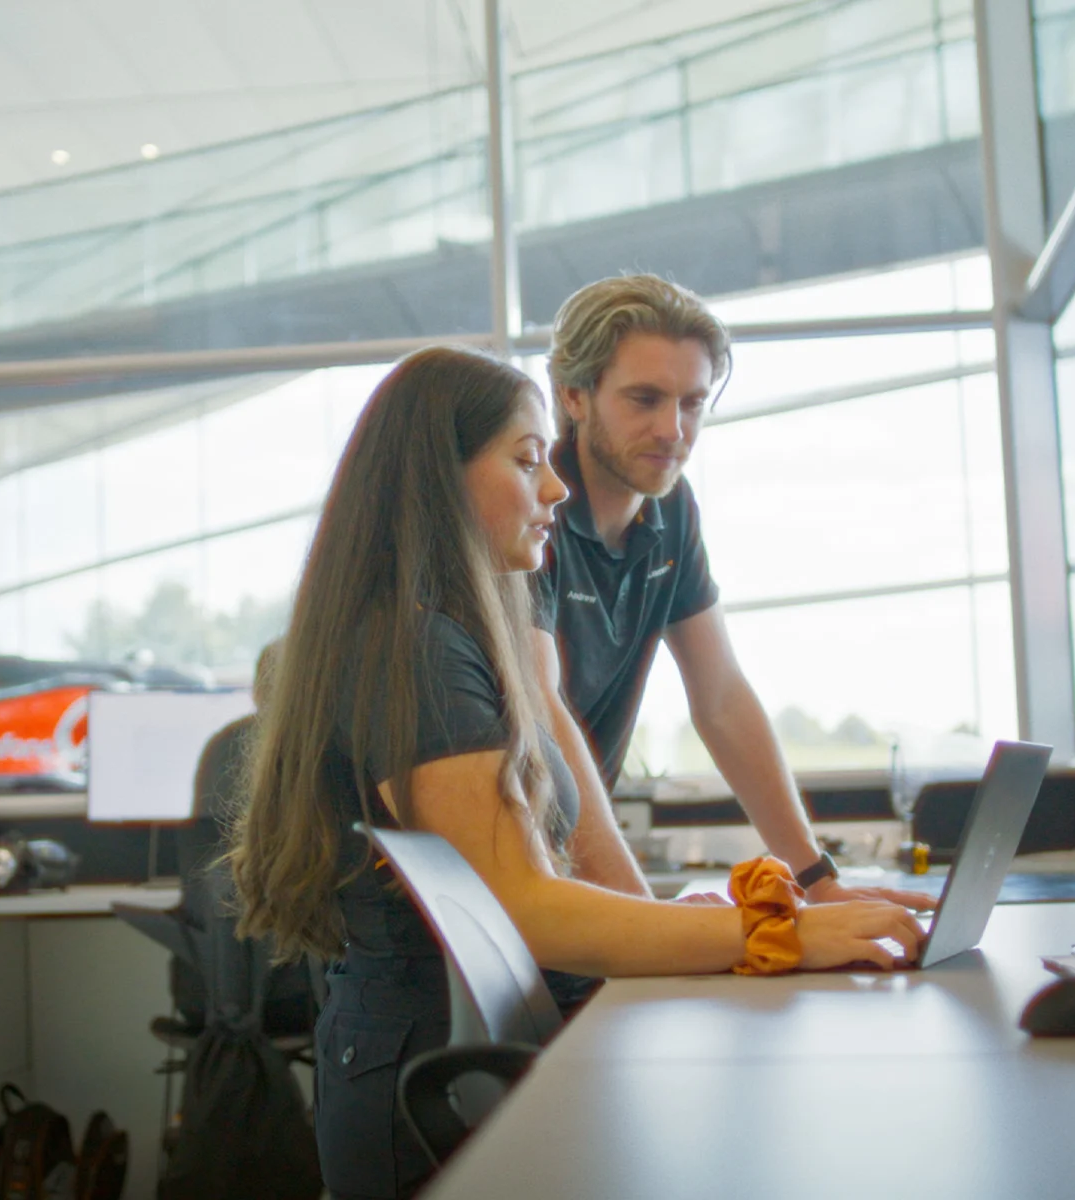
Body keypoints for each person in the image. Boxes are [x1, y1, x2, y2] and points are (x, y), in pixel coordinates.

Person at [230, 346, 932, 1200]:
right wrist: (775, 936)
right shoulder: (411, 648)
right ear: (435, 481)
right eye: (528, 462)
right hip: (423, 1095)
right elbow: (525, 904)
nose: (555, 487)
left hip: (448, 1062)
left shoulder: (443, 633)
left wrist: (669, 926)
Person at [535, 274, 903, 905]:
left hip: (569, 859)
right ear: (574, 395)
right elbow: (545, 721)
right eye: (644, 399)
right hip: (498, 868)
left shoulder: (671, 508)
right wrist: (648, 917)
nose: (673, 430)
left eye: (692, 403)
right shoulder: (531, 512)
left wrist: (818, 881)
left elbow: (723, 698)